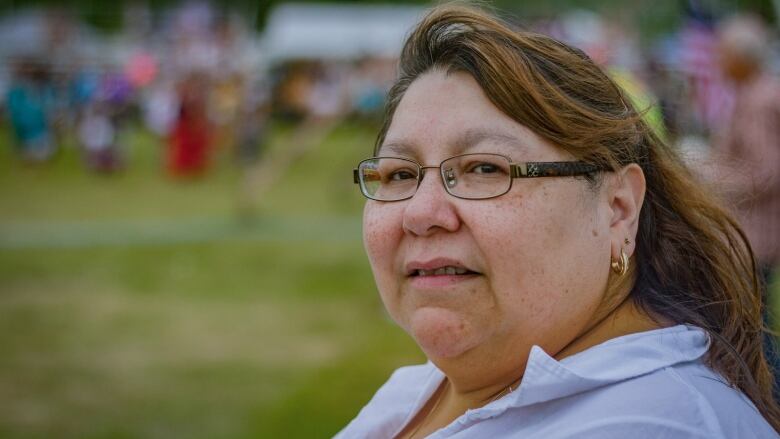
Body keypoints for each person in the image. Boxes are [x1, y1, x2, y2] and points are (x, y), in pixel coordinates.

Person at [337, 5, 780, 438]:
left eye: (486, 169)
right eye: (399, 174)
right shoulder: (426, 387)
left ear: (618, 209)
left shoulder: (653, 423)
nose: (420, 213)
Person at [711, 14, 780, 398]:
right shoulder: (761, 91)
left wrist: (712, 179)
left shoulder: (757, 99)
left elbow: (765, 171)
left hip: (754, 238)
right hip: (760, 235)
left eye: (723, 53)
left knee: (756, 328)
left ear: (742, 58)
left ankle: (769, 403)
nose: (717, 61)